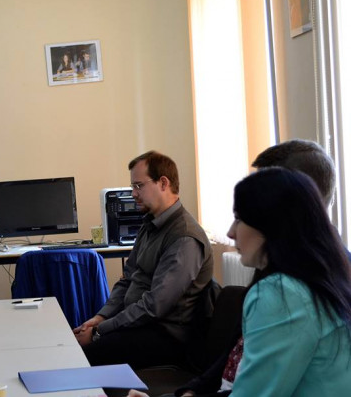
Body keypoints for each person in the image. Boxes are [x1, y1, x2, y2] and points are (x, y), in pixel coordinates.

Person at [128, 167, 351, 397]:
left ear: (272, 225)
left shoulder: (281, 293)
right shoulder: (314, 280)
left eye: (239, 219)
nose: (230, 232)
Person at [74, 151, 214, 369]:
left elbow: (154, 306)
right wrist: (101, 317)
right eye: (133, 186)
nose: (133, 193)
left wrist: (100, 331)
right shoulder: (150, 225)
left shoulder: (184, 237)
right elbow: (127, 280)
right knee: (75, 346)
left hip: (165, 336)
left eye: (139, 186)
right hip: (140, 326)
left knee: (82, 357)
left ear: (163, 183)